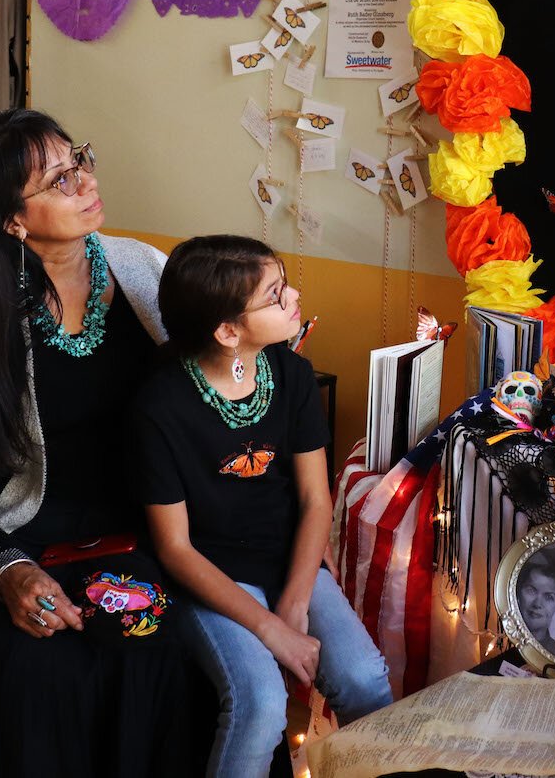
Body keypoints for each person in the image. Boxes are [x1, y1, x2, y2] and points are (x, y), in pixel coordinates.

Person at [0, 108, 207, 776]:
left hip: (138, 524)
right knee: (29, 673)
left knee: (161, 649)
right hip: (9, 531)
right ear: (12, 219)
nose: (85, 180)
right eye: (60, 179)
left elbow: (204, 389)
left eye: (79, 160)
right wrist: (5, 569)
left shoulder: (143, 271)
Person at [137, 234, 393, 777]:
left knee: (365, 679)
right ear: (228, 331)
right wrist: (271, 629)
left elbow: (314, 499)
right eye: (276, 295)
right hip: (208, 573)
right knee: (260, 708)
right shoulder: (159, 404)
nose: (294, 295)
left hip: (287, 559)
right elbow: (176, 549)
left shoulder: (293, 375)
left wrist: (297, 601)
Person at [516, 552, 555, 664]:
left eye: (548, 597)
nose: (538, 603)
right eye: (531, 590)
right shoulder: (498, 644)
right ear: (518, 592)